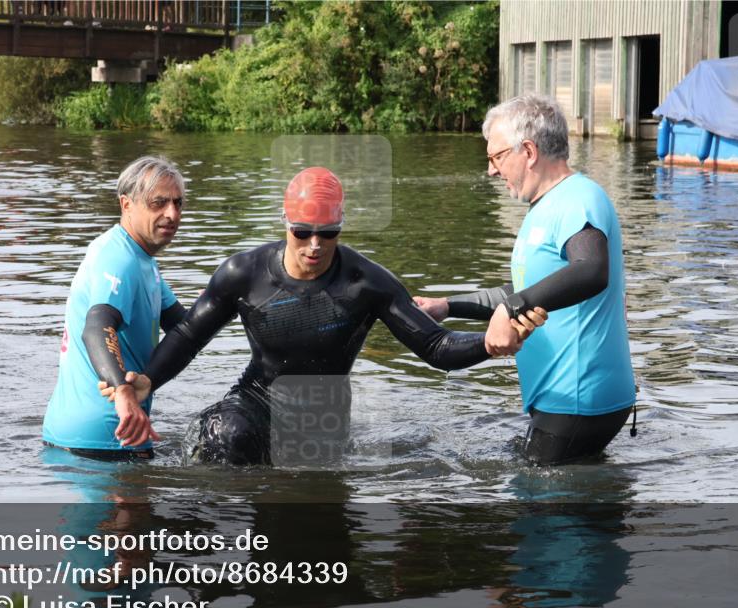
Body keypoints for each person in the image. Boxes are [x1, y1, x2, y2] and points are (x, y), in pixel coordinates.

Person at [101, 167, 546, 465]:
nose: (315, 245)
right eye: (303, 233)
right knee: (224, 437)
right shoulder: (244, 272)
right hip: (256, 399)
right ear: (286, 224)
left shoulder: (366, 283)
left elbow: (434, 346)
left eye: (328, 233)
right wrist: (148, 380)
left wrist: (488, 345)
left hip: (321, 418)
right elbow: (190, 334)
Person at [414, 94, 636, 466]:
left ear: (528, 151)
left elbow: (591, 270)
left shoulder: (578, 200)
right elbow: (523, 291)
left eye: (496, 157)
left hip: (577, 398)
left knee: (539, 511)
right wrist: (447, 306)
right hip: (565, 397)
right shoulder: (546, 207)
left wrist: (515, 307)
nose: (491, 171)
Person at [42, 155, 189, 460]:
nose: (171, 214)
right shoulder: (118, 259)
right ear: (126, 205)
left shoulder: (141, 259)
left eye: (177, 203)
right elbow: (97, 327)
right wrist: (123, 391)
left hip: (89, 438)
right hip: (106, 439)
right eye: (158, 203)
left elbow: (185, 331)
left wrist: (225, 301)